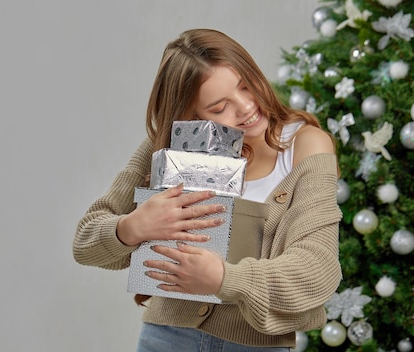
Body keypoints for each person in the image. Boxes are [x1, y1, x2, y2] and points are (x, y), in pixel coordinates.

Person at [72, 29, 342, 351]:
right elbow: (84, 242)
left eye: (246, 85)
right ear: (193, 114)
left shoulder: (305, 145)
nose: (245, 107)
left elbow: (318, 268)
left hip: (253, 344)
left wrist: (223, 279)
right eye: (218, 107)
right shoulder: (174, 144)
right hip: (165, 337)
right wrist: (133, 226)